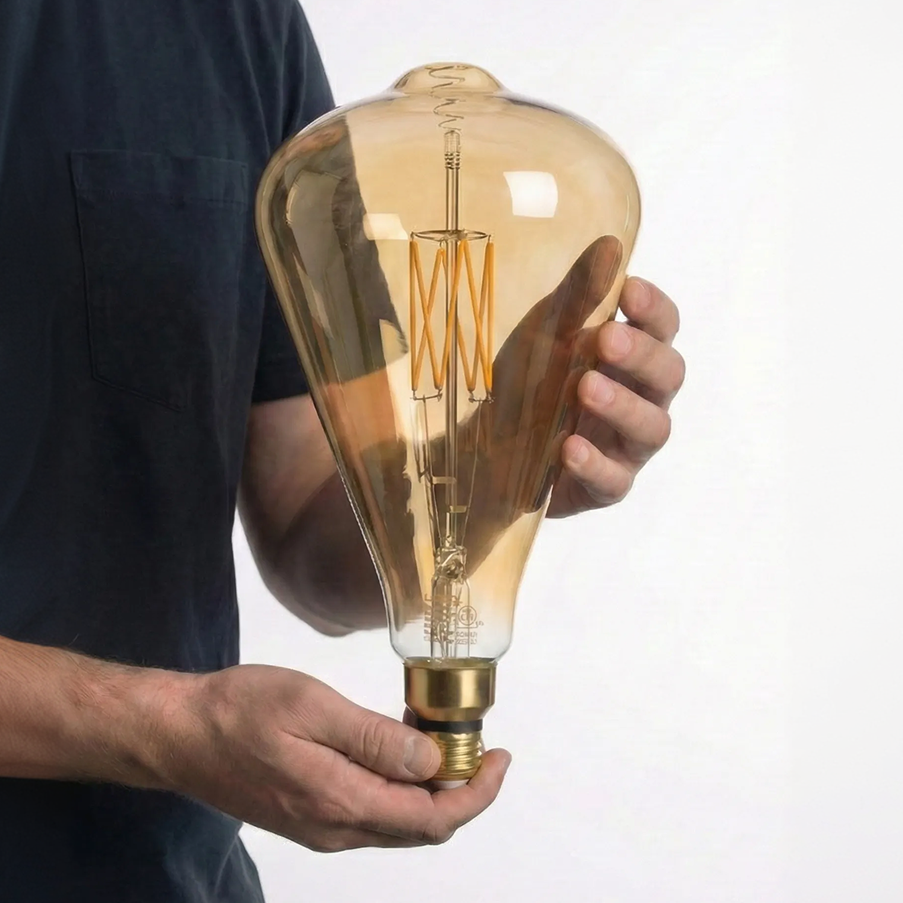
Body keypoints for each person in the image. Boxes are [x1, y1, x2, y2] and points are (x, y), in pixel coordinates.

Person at [0, 1, 685, 901]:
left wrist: (491, 464)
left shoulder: (237, 25)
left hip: (171, 874)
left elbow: (307, 521)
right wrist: (167, 725)